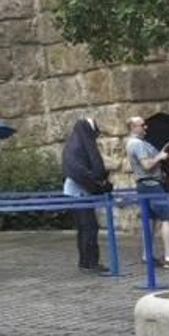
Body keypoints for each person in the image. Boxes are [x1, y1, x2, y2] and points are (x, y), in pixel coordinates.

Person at [127, 116, 169, 269]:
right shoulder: (137, 144)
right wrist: (160, 156)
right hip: (151, 185)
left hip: (146, 185)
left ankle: (148, 256)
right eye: (142, 125)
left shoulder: (140, 144)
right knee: (168, 219)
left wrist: (165, 154)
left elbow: (154, 159)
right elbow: (147, 165)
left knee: (151, 222)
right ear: (133, 127)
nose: (145, 127)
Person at [62, 117, 111, 272]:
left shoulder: (75, 144)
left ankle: (86, 262)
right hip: (78, 192)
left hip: (78, 191)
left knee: (85, 228)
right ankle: (89, 263)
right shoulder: (76, 146)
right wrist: (97, 184)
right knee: (89, 227)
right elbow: (80, 171)